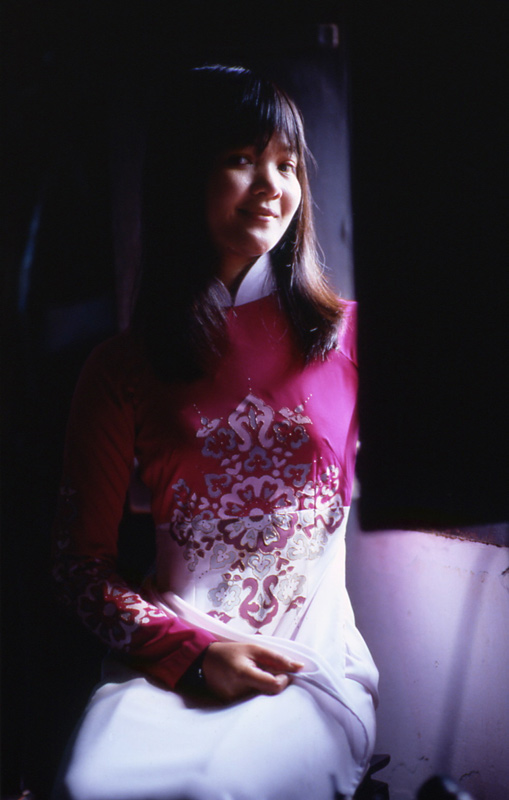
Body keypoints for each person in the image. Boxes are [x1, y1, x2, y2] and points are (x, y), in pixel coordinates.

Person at [51, 65, 379, 800]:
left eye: (285, 164)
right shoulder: (122, 366)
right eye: (239, 160)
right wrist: (196, 657)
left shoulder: (353, 340)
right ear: (182, 177)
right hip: (170, 658)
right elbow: (79, 566)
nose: (271, 186)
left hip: (301, 663)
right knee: (88, 785)